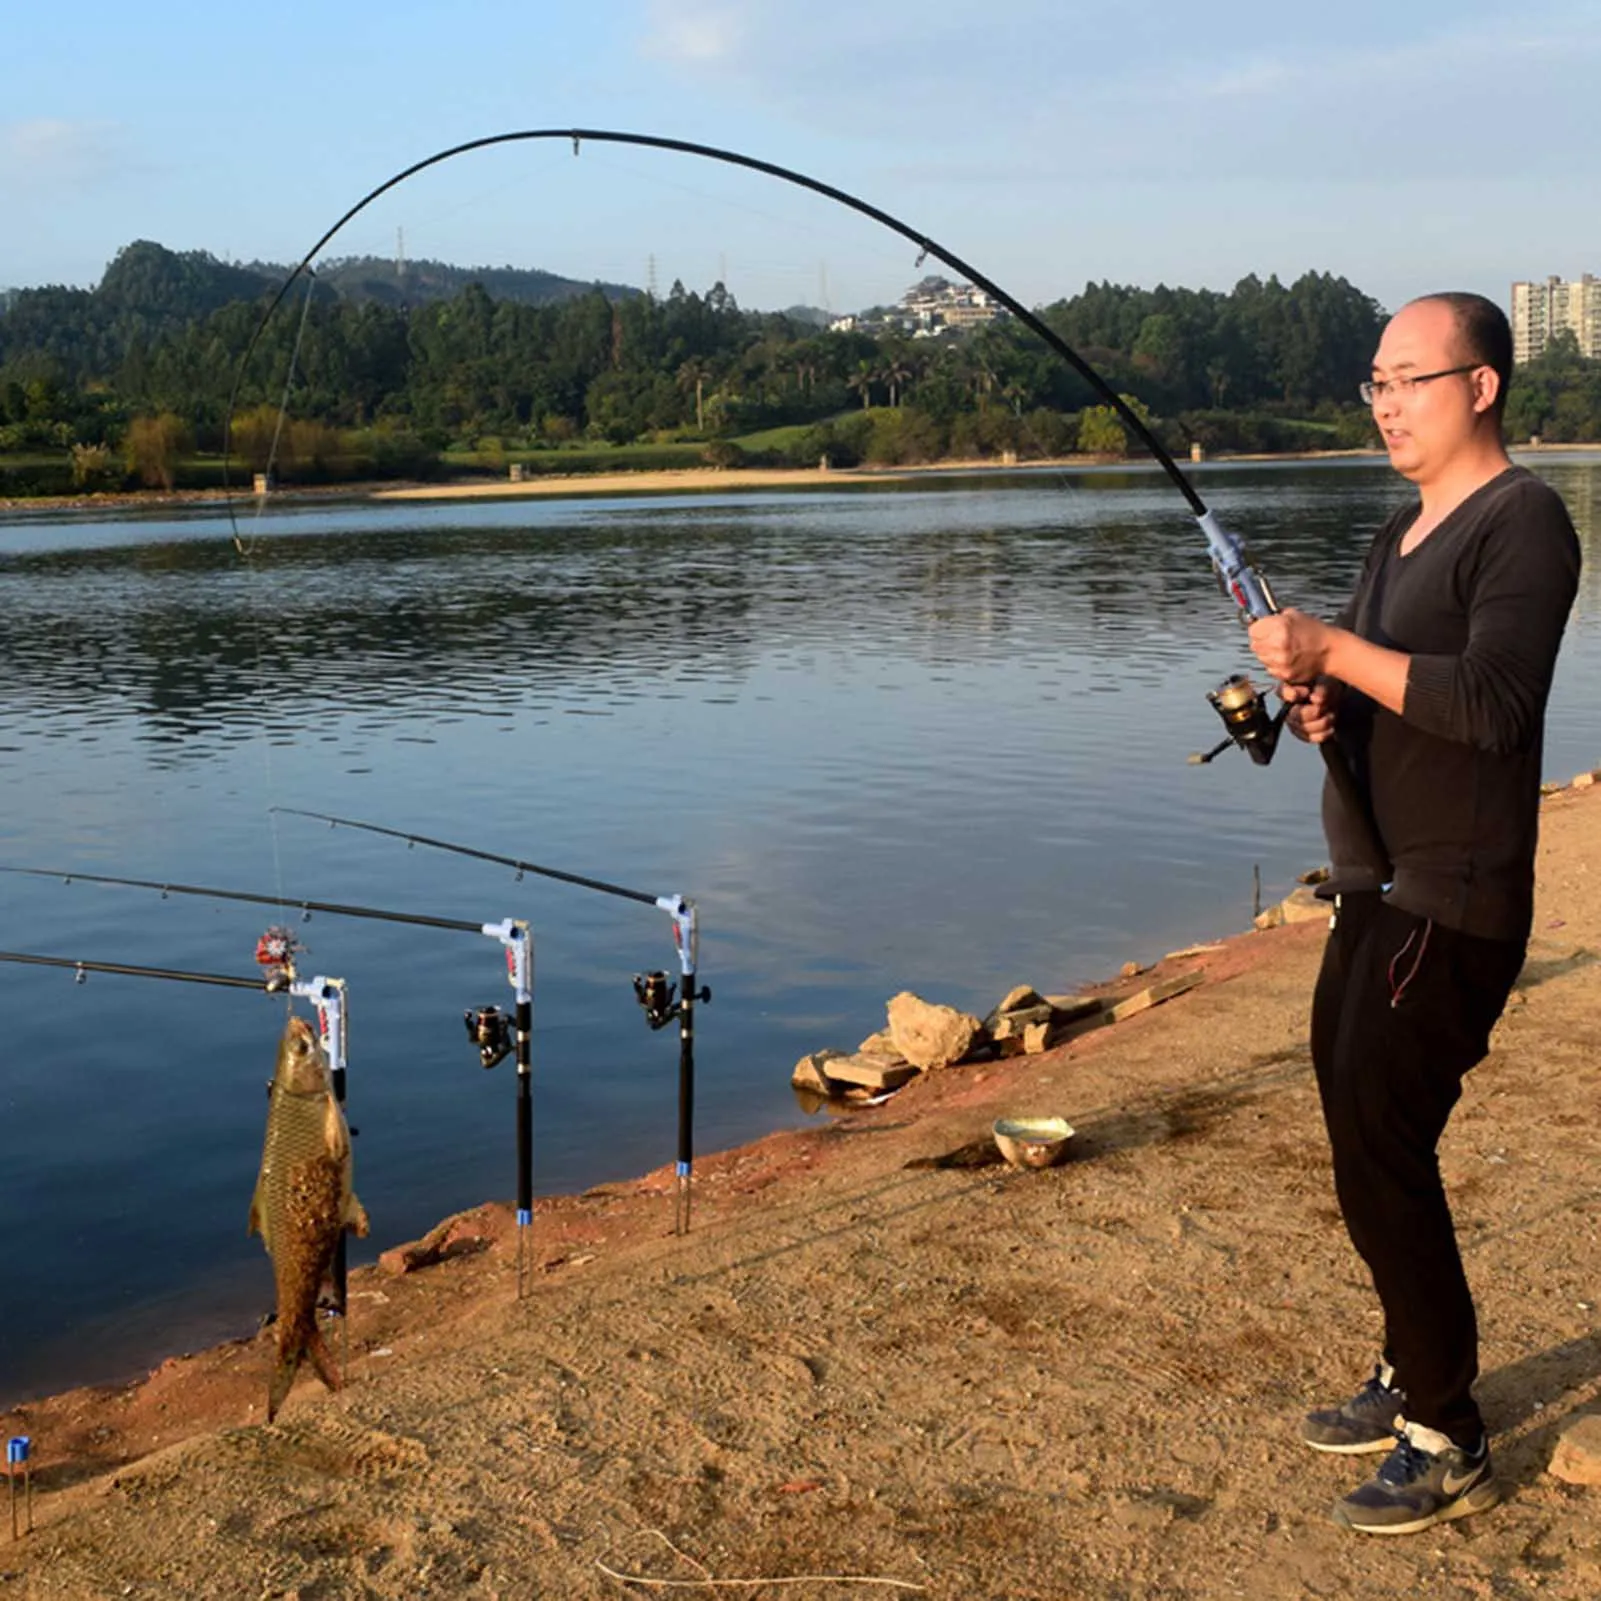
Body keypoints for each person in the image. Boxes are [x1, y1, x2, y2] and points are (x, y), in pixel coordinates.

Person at [1246, 291, 1581, 1535]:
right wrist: (1324, 702)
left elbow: (1492, 704)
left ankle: (1446, 1426)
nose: (1384, 402)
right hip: (1373, 886)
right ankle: (1406, 1357)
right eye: (1372, 383)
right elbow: (1402, 694)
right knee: (1358, 1137)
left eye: (1408, 379)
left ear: (1480, 385)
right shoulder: (1396, 533)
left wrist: (1332, 649)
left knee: (1383, 1148)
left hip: (1454, 894)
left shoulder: (1522, 523)